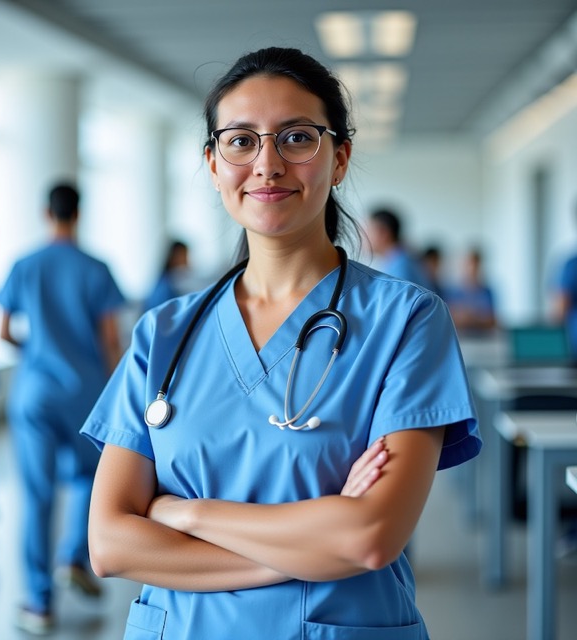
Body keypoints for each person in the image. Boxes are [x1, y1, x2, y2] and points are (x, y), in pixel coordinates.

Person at [81, 47, 481, 639]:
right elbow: (110, 544)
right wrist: (313, 548)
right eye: (241, 141)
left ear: (339, 158)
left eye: (297, 138)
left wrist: (181, 513)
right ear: (214, 162)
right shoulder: (163, 333)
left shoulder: (406, 321)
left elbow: (368, 538)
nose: (267, 164)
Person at [0, 182, 126, 634]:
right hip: (85, 394)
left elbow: (3, 333)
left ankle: (38, 603)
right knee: (89, 477)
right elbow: (110, 339)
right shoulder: (96, 268)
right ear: (79, 213)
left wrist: (39, 349)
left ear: (44, 212)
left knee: (36, 494)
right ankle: (73, 555)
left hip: (34, 392)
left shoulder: (24, 265)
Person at [366, 207, 432, 288]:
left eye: (368, 230)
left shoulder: (400, 267)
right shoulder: (403, 258)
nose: (365, 237)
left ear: (383, 232)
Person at [446, 247, 497, 332]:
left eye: (475, 265)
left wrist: (472, 318)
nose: (472, 269)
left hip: (483, 339)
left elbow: (492, 320)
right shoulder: (454, 292)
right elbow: (451, 319)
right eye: (470, 264)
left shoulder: (487, 292)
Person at [143, 240, 191, 311]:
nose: (187, 261)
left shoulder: (170, 281)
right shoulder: (166, 287)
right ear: (173, 257)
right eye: (184, 256)